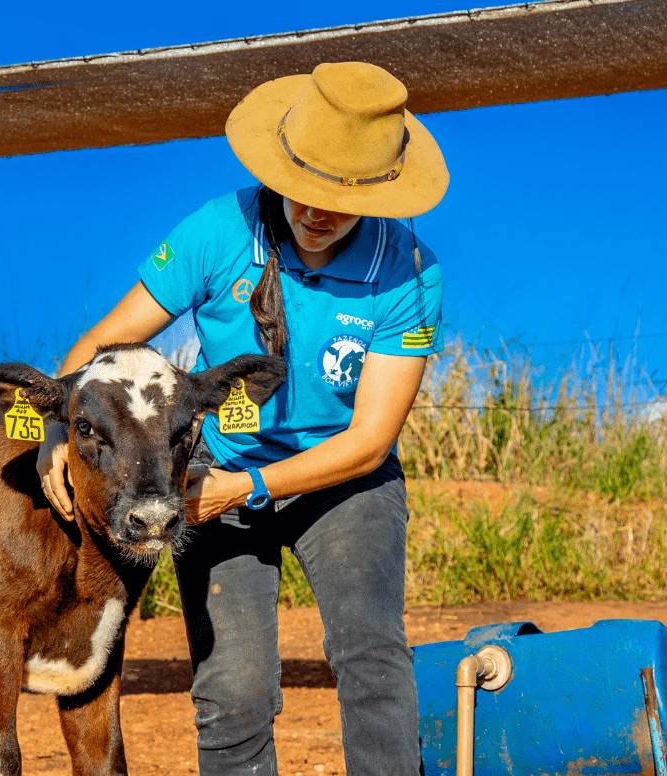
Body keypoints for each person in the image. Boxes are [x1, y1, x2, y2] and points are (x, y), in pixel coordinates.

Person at [37, 61, 447, 774]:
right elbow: (101, 346)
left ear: (379, 194)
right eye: (306, 190)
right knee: (234, 689)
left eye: (342, 200)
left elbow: (371, 439)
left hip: (342, 480)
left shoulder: (408, 270)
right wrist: (53, 435)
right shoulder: (217, 230)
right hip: (219, 472)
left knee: (371, 652)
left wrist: (250, 490)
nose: (318, 213)